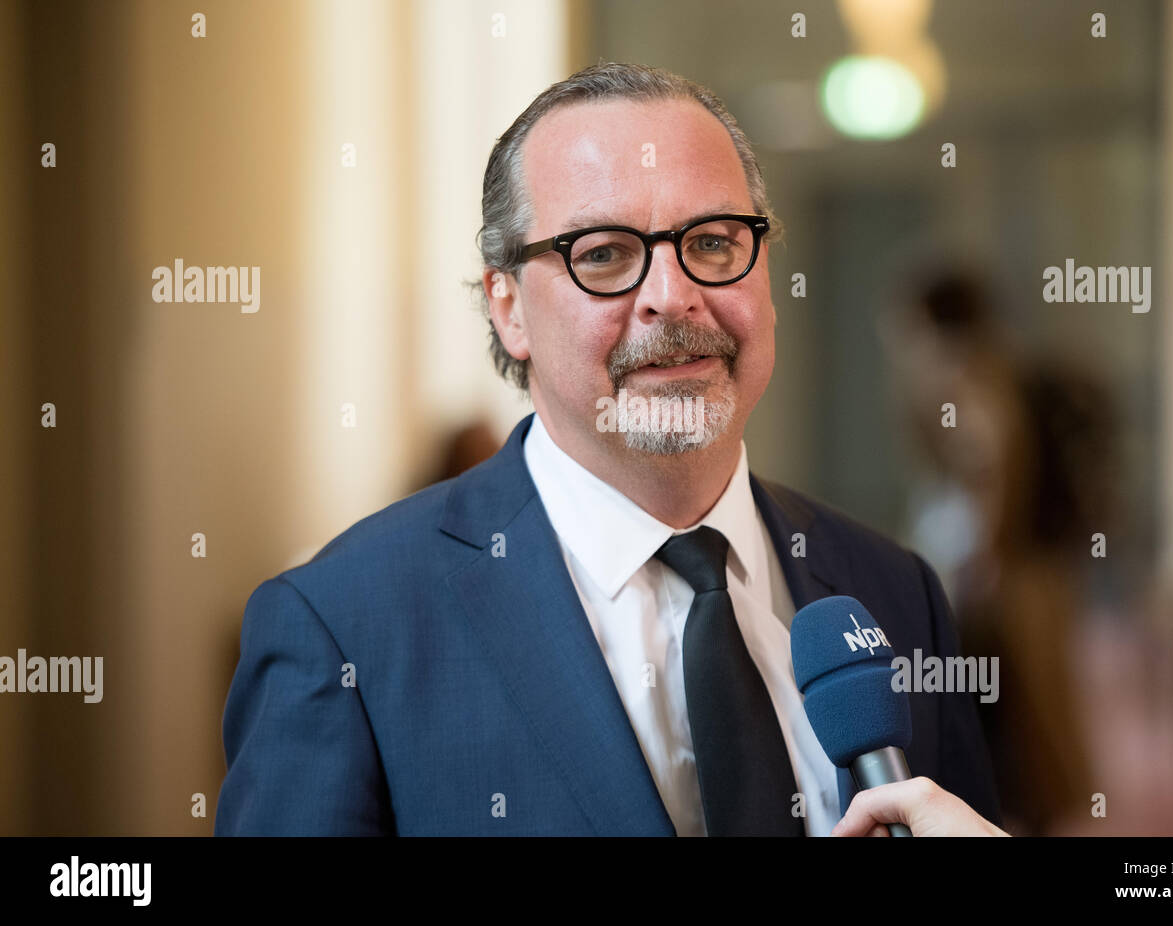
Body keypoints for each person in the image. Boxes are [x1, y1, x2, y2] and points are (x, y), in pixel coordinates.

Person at [215, 62, 1004, 837]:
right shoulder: (347, 627)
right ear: (509, 310)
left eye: (716, 241)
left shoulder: (895, 595)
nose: (672, 293)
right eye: (603, 254)